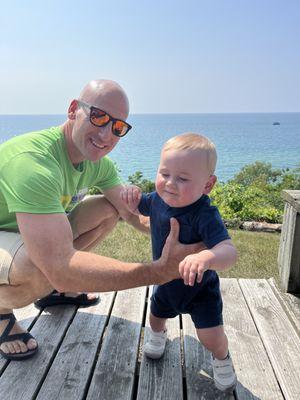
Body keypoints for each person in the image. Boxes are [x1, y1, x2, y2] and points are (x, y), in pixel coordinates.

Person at [0, 79, 201, 361]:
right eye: (99, 116)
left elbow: (132, 212)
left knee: (109, 208)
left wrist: (190, 234)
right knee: (39, 265)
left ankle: (58, 291)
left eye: (118, 127)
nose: (106, 134)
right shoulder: (34, 162)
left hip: (25, 233)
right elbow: (57, 264)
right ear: (73, 110)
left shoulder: (97, 163)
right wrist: (157, 271)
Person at [121, 132, 238, 392]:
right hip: (165, 282)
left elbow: (229, 251)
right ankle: (158, 335)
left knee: (212, 338)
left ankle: (222, 357)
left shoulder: (205, 214)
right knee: (155, 316)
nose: (170, 184)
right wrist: (130, 198)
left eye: (183, 178)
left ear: (207, 185)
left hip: (200, 291)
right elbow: (139, 206)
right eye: (164, 174)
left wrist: (206, 256)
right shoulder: (157, 200)